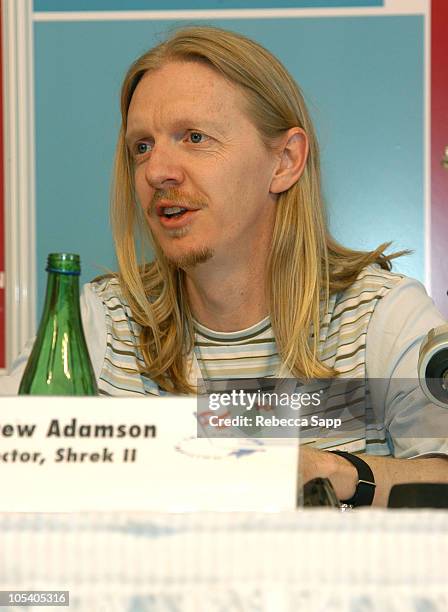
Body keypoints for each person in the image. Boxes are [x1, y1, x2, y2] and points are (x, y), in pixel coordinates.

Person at [2, 26, 447, 507]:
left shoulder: (378, 317)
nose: (156, 171)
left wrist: (328, 470)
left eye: (194, 137)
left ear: (284, 160)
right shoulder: (98, 323)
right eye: (142, 147)